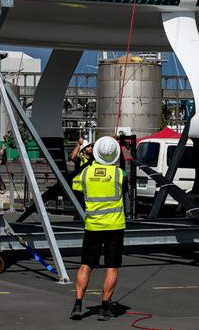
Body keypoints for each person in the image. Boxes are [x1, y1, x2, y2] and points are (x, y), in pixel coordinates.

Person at [70, 136, 127, 322]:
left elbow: (76, 186)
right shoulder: (119, 174)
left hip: (93, 225)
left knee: (86, 264)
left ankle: (78, 304)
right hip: (115, 226)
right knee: (112, 267)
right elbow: (125, 186)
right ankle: (104, 307)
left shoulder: (85, 174)